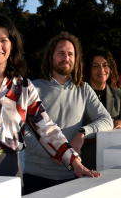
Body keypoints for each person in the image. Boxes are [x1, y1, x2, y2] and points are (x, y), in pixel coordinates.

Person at [0, 15, 94, 183]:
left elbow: (47, 128)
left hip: (10, 171)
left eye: (4, 40)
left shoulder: (23, 88)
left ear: (12, 44)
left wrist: (74, 161)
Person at [23, 32, 113, 194]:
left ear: (76, 59)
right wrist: (52, 151)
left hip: (72, 176)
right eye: (61, 53)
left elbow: (107, 120)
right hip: (37, 176)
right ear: (50, 57)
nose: (66, 57)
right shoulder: (32, 88)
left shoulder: (84, 89)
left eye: (70, 54)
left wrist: (83, 132)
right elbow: (23, 130)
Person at [81, 48, 121, 170]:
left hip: (112, 163)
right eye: (96, 66)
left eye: (105, 65)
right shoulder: (78, 93)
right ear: (89, 68)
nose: (101, 70)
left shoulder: (118, 94)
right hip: (84, 164)